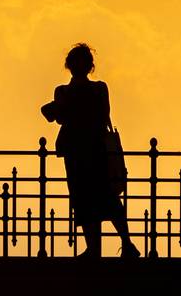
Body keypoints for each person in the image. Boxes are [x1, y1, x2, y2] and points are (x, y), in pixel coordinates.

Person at [41, 43, 138, 258]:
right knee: (93, 198)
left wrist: (65, 108)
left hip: (84, 150)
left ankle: (109, 246)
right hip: (88, 149)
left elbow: (62, 117)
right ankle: (119, 244)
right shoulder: (91, 90)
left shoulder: (73, 91)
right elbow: (93, 116)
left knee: (93, 197)